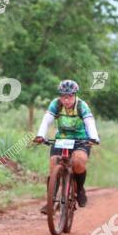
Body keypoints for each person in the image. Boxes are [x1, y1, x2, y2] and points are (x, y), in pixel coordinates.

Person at [33, 80, 101, 210]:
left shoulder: (82, 106)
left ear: (74, 95)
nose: (66, 100)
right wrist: (40, 135)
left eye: (69, 96)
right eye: (63, 96)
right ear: (60, 96)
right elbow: (46, 121)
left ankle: (80, 190)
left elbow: (89, 122)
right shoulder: (56, 104)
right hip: (62, 139)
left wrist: (94, 138)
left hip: (81, 140)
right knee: (54, 164)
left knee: (78, 162)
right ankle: (51, 200)